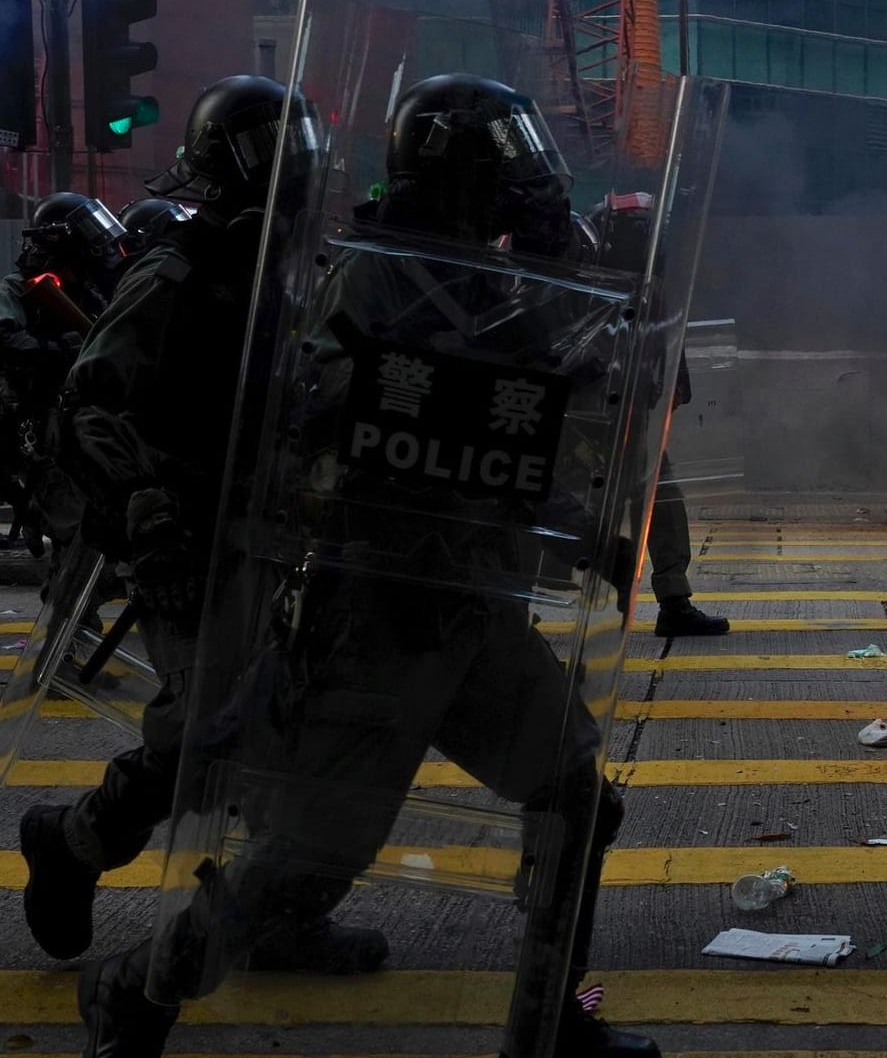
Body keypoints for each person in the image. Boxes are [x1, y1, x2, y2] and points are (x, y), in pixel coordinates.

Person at [72, 72, 660, 1058]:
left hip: (469, 602)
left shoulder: (491, 278)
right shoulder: (371, 275)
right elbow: (333, 423)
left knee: (574, 795)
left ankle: (546, 1027)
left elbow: (521, 425)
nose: (521, 176)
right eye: (500, 156)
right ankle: (138, 991)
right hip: (373, 615)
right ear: (452, 169)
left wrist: (577, 514)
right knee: (300, 863)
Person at [22, 78, 390, 1056]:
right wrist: (148, 516)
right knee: (204, 734)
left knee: (297, 736)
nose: (301, 159)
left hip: (279, 536)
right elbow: (91, 403)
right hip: (189, 540)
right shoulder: (180, 271)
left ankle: (283, 916)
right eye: (278, 143)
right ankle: (73, 841)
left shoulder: (298, 269)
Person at [588, 192, 727, 639]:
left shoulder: (649, 279)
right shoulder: (590, 275)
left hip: (630, 411)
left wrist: (674, 379)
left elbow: (666, 331)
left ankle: (673, 597)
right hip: (588, 411)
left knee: (661, 498)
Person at [0, 193, 125, 553]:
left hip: (79, 413)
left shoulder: (85, 291)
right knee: (73, 528)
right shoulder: (15, 289)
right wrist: (61, 350)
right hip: (33, 416)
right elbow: (6, 340)